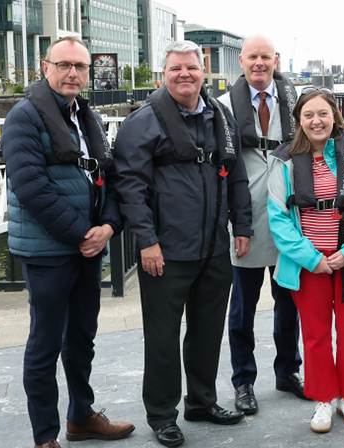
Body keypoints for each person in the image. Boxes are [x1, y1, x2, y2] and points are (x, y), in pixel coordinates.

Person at [112, 40, 252, 447]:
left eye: (191, 68)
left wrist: (241, 226)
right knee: (162, 337)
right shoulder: (143, 123)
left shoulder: (221, 117)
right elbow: (131, 188)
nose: (184, 75)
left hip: (213, 248)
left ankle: (201, 401)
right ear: (164, 73)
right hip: (167, 252)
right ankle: (161, 414)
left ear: (203, 71)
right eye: (176, 69)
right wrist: (146, 242)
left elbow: (237, 175)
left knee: (207, 330)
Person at [2, 36, 134, 448]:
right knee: (44, 345)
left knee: (81, 338)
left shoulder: (85, 116)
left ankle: (80, 416)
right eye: (64, 65)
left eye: (80, 66)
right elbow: (31, 189)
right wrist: (83, 235)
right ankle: (45, 437)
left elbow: (108, 175)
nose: (73, 73)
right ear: (46, 68)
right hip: (48, 252)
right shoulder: (24, 117)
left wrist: (109, 226)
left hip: (88, 249)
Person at [267, 88, 344, 433]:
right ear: (299, 121)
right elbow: (277, 217)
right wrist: (312, 258)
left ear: (335, 117)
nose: (316, 121)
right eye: (308, 115)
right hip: (308, 266)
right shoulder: (284, 163)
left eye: (323, 114)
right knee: (315, 335)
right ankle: (323, 398)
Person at [217, 36, 304, 415]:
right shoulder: (222, 107)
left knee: (289, 302)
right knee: (242, 309)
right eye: (252, 57)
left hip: (288, 215)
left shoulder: (295, 102)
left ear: (275, 60)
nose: (258, 63)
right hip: (245, 217)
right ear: (241, 61)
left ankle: (288, 371)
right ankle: (244, 382)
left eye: (265, 57)